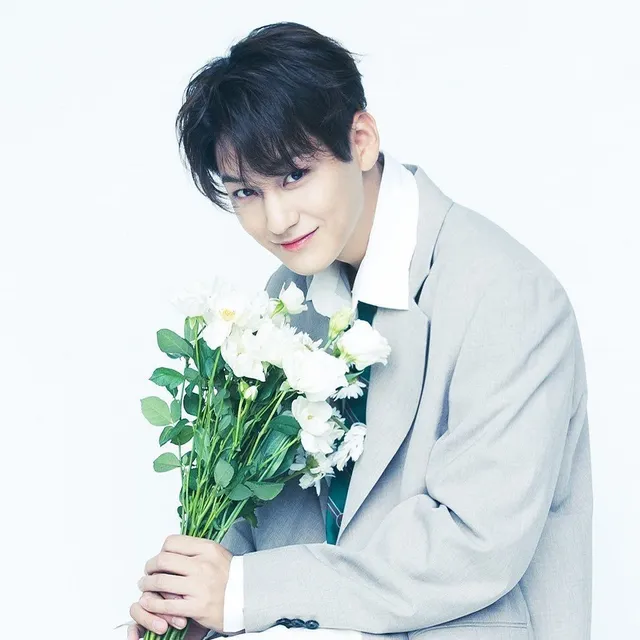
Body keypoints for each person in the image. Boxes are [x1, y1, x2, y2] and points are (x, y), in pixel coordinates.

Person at [127, 21, 592, 640]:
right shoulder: (289, 294)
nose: (277, 219)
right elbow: (263, 507)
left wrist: (244, 592)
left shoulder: (506, 293)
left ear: (362, 141)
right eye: (245, 192)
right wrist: (190, 608)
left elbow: (476, 541)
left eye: (293, 175)